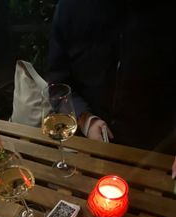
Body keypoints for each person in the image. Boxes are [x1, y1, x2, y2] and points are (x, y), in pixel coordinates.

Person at [47, 0, 176, 173]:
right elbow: (57, 83)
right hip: (88, 143)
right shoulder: (71, 8)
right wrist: (85, 120)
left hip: (157, 149)